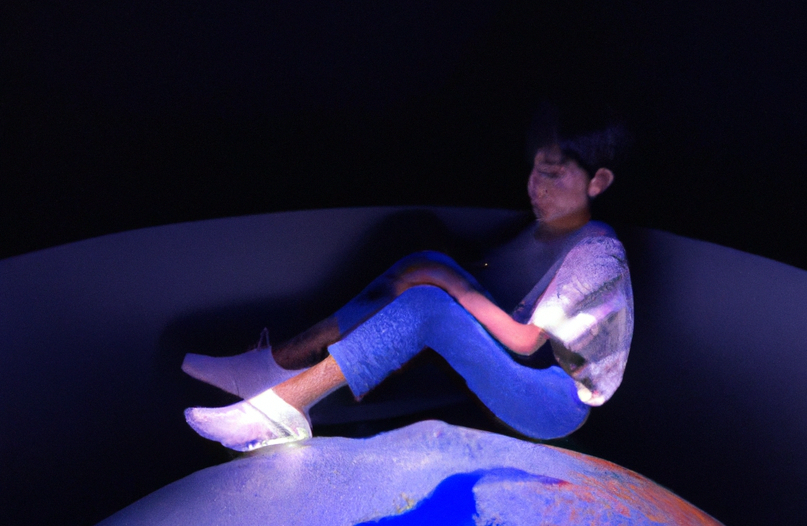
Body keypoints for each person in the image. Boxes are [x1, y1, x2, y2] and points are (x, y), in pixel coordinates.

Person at [183, 102, 634, 450]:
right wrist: (431, 272)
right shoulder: (544, 230)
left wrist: (446, 280)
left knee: (429, 304)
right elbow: (490, 285)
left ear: (598, 182)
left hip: (552, 402)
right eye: (536, 170)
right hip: (522, 370)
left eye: (553, 175)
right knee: (423, 259)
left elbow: (524, 341)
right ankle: (273, 366)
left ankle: (283, 410)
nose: (537, 186)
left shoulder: (598, 252)